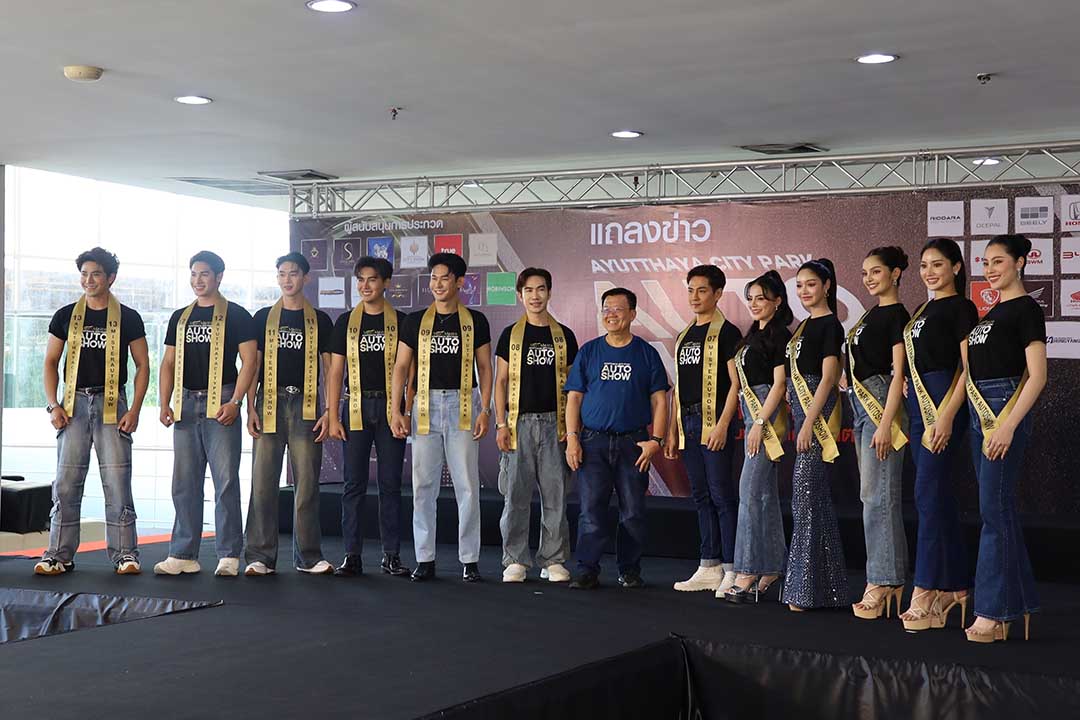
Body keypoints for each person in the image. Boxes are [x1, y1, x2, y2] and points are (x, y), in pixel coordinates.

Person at [35, 248, 150, 576]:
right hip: (72, 406)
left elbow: (143, 365)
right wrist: (53, 405)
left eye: (96, 274)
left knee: (117, 482)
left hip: (113, 405)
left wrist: (135, 409)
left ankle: (125, 554)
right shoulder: (65, 315)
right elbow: (50, 362)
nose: (89, 280)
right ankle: (58, 554)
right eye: (84, 274)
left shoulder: (129, 317)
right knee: (66, 483)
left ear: (111, 278)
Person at [390, 252, 493, 582]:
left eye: (444, 278)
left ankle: (470, 560)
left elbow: (485, 368)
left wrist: (486, 409)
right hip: (425, 405)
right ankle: (425, 558)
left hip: (464, 403)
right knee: (423, 486)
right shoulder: (415, 321)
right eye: (433, 278)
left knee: (467, 486)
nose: (437, 284)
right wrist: (396, 409)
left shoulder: (475, 320)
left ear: (460, 282)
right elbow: (401, 366)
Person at [963, 234, 1045, 643]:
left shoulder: (1026, 309)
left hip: (1003, 409)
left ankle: (993, 611)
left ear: (1020, 263)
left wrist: (1009, 425)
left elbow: (1038, 376)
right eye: (986, 262)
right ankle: (1020, 604)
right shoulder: (990, 313)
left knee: (993, 512)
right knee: (1001, 511)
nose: (990, 269)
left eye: (998, 261)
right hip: (979, 411)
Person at [155, 251, 257, 577]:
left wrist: (236, 402)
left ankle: (228, 554)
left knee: (225, 481)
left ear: (219, 277)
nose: (198, 280)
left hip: (222, 400)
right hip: (186, 402)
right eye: (193, 274)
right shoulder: (180, 317)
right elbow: (168, 362)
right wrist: (164, 402)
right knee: (184, 482)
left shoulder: (237, 315)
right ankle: (183, 554)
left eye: (204, 274)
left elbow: (250, 361)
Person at [565, 287, 670, 589]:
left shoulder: (646, 353)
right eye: (606, 309)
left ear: (633, 314)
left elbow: (660, 400)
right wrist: (572, 438)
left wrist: (657, 440)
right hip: (593, 441)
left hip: (633, 443)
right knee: (590, 510)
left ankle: (629, 570)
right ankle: (587, 569)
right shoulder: (589, 351)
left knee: (633, 511)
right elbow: (574, 398)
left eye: (618, 309)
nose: (611, 314)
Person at [898, 238, 977, 631]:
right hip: (918, 406)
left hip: (945, 402)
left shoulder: (962, 307)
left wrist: (946, 416)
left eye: (938, 265)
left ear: (956, 268)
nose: (929, 272)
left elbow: (968, 367)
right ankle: (956, 585)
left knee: (927, 494)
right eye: (924, 265)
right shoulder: (921, 309)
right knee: (936, 496)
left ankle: (926, 588)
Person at [244, 252, 334, 576]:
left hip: (306, 406)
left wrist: (329, 410)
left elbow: (330, 369)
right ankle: (260, 556)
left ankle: (308, 557)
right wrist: (249, 407)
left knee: (307, 484)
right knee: (262, 483)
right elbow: (253, 365)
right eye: (281, 274)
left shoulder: (320, 320)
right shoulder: (262, 317)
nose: (287, 280)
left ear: (305, 277)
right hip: (269, 403)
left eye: (293, 273)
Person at [493, 268, 578, 583]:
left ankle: (553, 560)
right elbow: (500, 382)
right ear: (520, 295)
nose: (535, 296)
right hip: (519, 424)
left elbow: (574, 389)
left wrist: (572, 432)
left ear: (550, 292)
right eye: (528, 290)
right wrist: (501, 423)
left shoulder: (565, 335)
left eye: (541, 289)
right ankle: (515, 559)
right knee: (515, 496)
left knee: (556, 496)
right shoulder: (510, 335)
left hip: (555, 424)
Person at [327, 256, 410, 577]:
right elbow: (336, 372)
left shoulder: (402, 321)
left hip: (390, 408)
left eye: (372, 279)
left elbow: (410, 371)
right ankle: (352, 555)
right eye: (360, 280)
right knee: (353, 485)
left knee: (390, 484)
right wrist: (333, 415)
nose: (365, 286)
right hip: (355, 407)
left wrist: (403, 410)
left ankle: (391, 555)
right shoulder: (346, 321)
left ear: (386, 283)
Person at [665, 265, 742, 593]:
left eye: (702, 290)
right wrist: (672, 430)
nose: (695, 297)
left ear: (718, 293)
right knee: (700, 495)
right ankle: (708, 564)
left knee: (722, 494)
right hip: (688, 423)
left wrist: (723, 424)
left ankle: (733, 568)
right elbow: (678, 387)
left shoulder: (728, 333)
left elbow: (736, 384)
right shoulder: (684, 335)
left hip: (715, 422)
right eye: (690, 290)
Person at [780, 258, 849, 611]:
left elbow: (828, 378)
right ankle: (830, 588)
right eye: (799, 286)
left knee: (806, 499)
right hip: (801, 415)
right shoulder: (803, 326)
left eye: (810, 284)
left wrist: (809, 422)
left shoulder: (830, 325)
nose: (804, 291)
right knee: (814, 501)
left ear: (826, 286)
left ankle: (804, 590)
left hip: (814, 417)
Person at [847, 247, 911, 620]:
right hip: (860, 406)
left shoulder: (897, 315)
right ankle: (888, 576)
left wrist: (886, 423)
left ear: (896, 273)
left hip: (881, 406)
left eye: (876, 271)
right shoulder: (870, 315)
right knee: (871, 495)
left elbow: (899, 373)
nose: (869, 278)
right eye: (865, 273)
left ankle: (883, 579)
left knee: (879, 497)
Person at [722, 271, 792, 604]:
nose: (754, 304)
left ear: (777, 301)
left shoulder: (780, 336)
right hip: (752, 413)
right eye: (750, 298)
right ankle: (773, 567)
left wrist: (760, 423)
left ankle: (747, 570)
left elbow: (779, 384)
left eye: (761, 298)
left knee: (749, 493)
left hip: (766, 416)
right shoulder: (752, 335)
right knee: (763, 496)